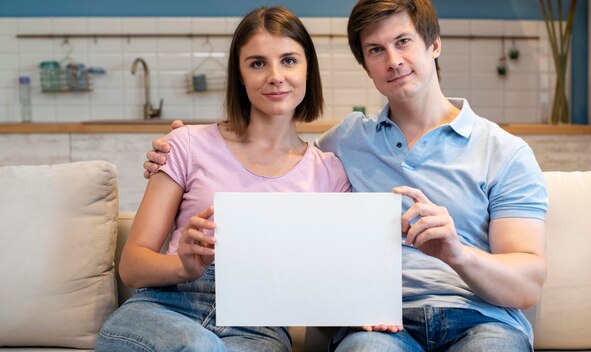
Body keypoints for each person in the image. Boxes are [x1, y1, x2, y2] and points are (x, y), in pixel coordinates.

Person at [144, 0, 548, 351]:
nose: (393, 60)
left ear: (434, 43)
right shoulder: (342, 146)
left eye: (403, 41)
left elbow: (527, 286)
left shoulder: (504, 152)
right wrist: (182, 150)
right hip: (380, 326)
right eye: (376, 50)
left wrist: (457, 253)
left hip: (480, 321)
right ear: (366, 66)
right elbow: (278, 166)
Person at [97, 6, 350, 352]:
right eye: (257, 63)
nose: (276, 75)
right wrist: (185, 266)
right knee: (196, 345)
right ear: (240, 75)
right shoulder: (186, 143)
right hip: (164, 309)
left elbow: (333, 286)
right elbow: (132, 266)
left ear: (309, 69)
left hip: (259, 328)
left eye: (289, 60)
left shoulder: (330, 173)